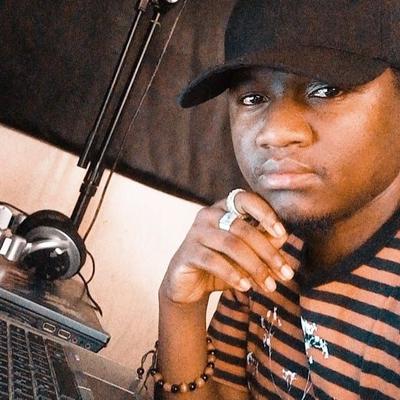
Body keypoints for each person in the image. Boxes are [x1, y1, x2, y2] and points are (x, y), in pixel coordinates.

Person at [155, 1, 400, 399]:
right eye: (252, 98)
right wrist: (180, 307)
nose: (274, 133)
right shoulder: (263, 238)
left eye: (327, 89)